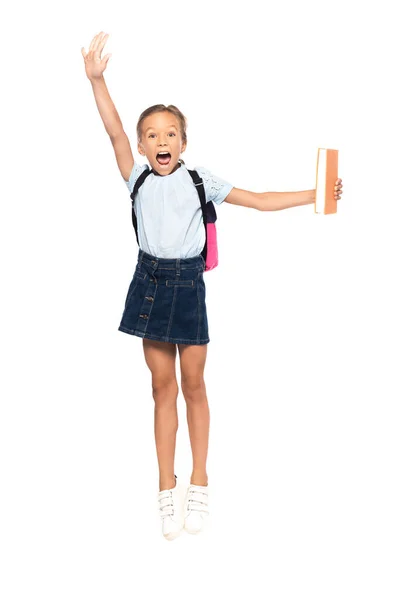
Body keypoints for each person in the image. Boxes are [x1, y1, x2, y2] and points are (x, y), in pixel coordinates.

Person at [81, 31, 343, 541]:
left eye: (170, 134)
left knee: (194, 385)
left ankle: (199, 480)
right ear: (142, 145)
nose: (161, 142)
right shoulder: (134, 175)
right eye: (152, 135)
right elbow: (112, 130)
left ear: (184, 142)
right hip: (150, 284)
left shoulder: (201, 180)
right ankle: (165, 486)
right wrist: (98, 80)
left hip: (189, 287)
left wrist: (316, 192)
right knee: (162, 388)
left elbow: (261, 199)